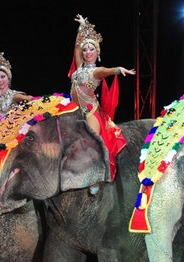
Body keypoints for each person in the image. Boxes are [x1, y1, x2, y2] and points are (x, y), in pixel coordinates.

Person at [69, 14, 135, 180]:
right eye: (85, 49)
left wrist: (118, 69)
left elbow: (107, 71)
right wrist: (81, 27)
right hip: (74, 113)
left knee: (93, 143)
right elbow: (76, 47)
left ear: (97, 52)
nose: (87, 52)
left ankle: (99, 176)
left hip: (91, 112)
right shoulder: (78, 69)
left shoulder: (96, 72)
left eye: (91, 49)